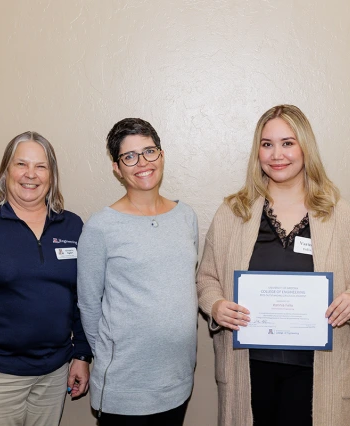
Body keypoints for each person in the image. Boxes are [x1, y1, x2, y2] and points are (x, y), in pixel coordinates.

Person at [197, 104, 350, 426]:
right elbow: (206, 278)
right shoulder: (233, 212)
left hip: (318, 369)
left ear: (305, 148)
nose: (276, 154)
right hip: (249, 367)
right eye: (267, 144)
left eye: (288, 143)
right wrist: (215, 305)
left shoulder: (338, 214)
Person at [0, 131, 92, 425]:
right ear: (6, 171)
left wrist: (82, 353)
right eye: (21, 164)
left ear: (51, 175)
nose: (31, 174)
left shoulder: (72, 226)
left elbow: (83, 296)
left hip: (53, 376)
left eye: (41, 166)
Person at [77, 118, 199, 426]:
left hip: (177, 380)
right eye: (129, 156)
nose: (142, 162)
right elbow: (89, 304)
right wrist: (108, 352)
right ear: (117, 168)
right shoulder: (101, 227)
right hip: (124, 386)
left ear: (162, 155)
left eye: (149, 151)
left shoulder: (186, 217)